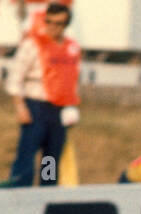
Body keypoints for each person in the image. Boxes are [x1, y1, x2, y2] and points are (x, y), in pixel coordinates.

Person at [3, 2, 80, 188]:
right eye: (49, 22)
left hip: (59, 109)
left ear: (66, 24)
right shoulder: (33, 44)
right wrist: (20, 106)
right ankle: (19, 191)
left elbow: (72, 79)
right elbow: (15, 78)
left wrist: (72, 107)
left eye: (58, 23)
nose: (53, 27)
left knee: (51, 157)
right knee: (27, 155)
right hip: (36, 105)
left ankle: (47, 191)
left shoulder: (71, 47)